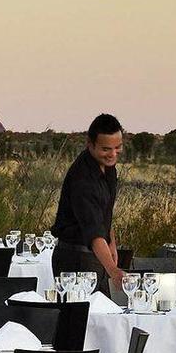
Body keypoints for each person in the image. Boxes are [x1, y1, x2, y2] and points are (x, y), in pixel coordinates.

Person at [52, 113, 124, 289]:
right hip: (75, 259)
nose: (112, 154)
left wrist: (112, 244)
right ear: (90, 145)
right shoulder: (82, 179)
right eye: (106, 149)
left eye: (118, 147)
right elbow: (93, 232)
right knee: (83, 315)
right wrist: (113, 270)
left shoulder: (108, 167)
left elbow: (104, 212)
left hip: (98, 255)